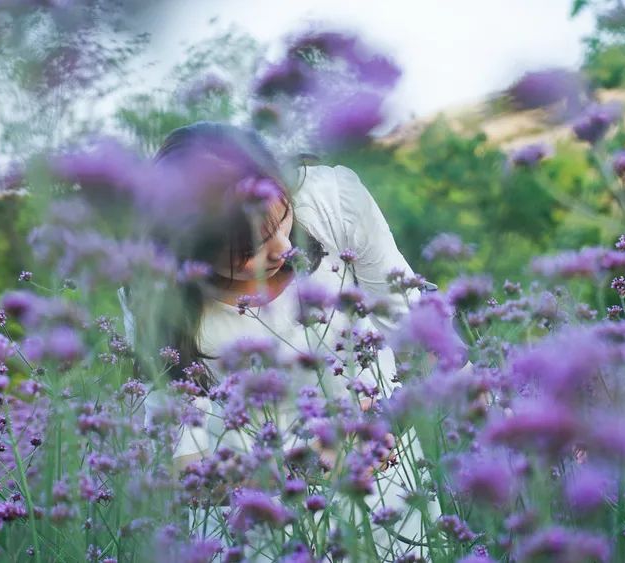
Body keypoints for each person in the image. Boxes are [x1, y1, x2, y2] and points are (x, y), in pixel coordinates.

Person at [118, 121, 438, 557]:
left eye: (282, 217)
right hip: (255, 525)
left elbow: (419, 334)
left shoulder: (333, 199)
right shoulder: (154, 294)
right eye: (250, 249)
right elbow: (180, 464)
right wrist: (301, 465)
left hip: (386, 495)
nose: (285, 248)